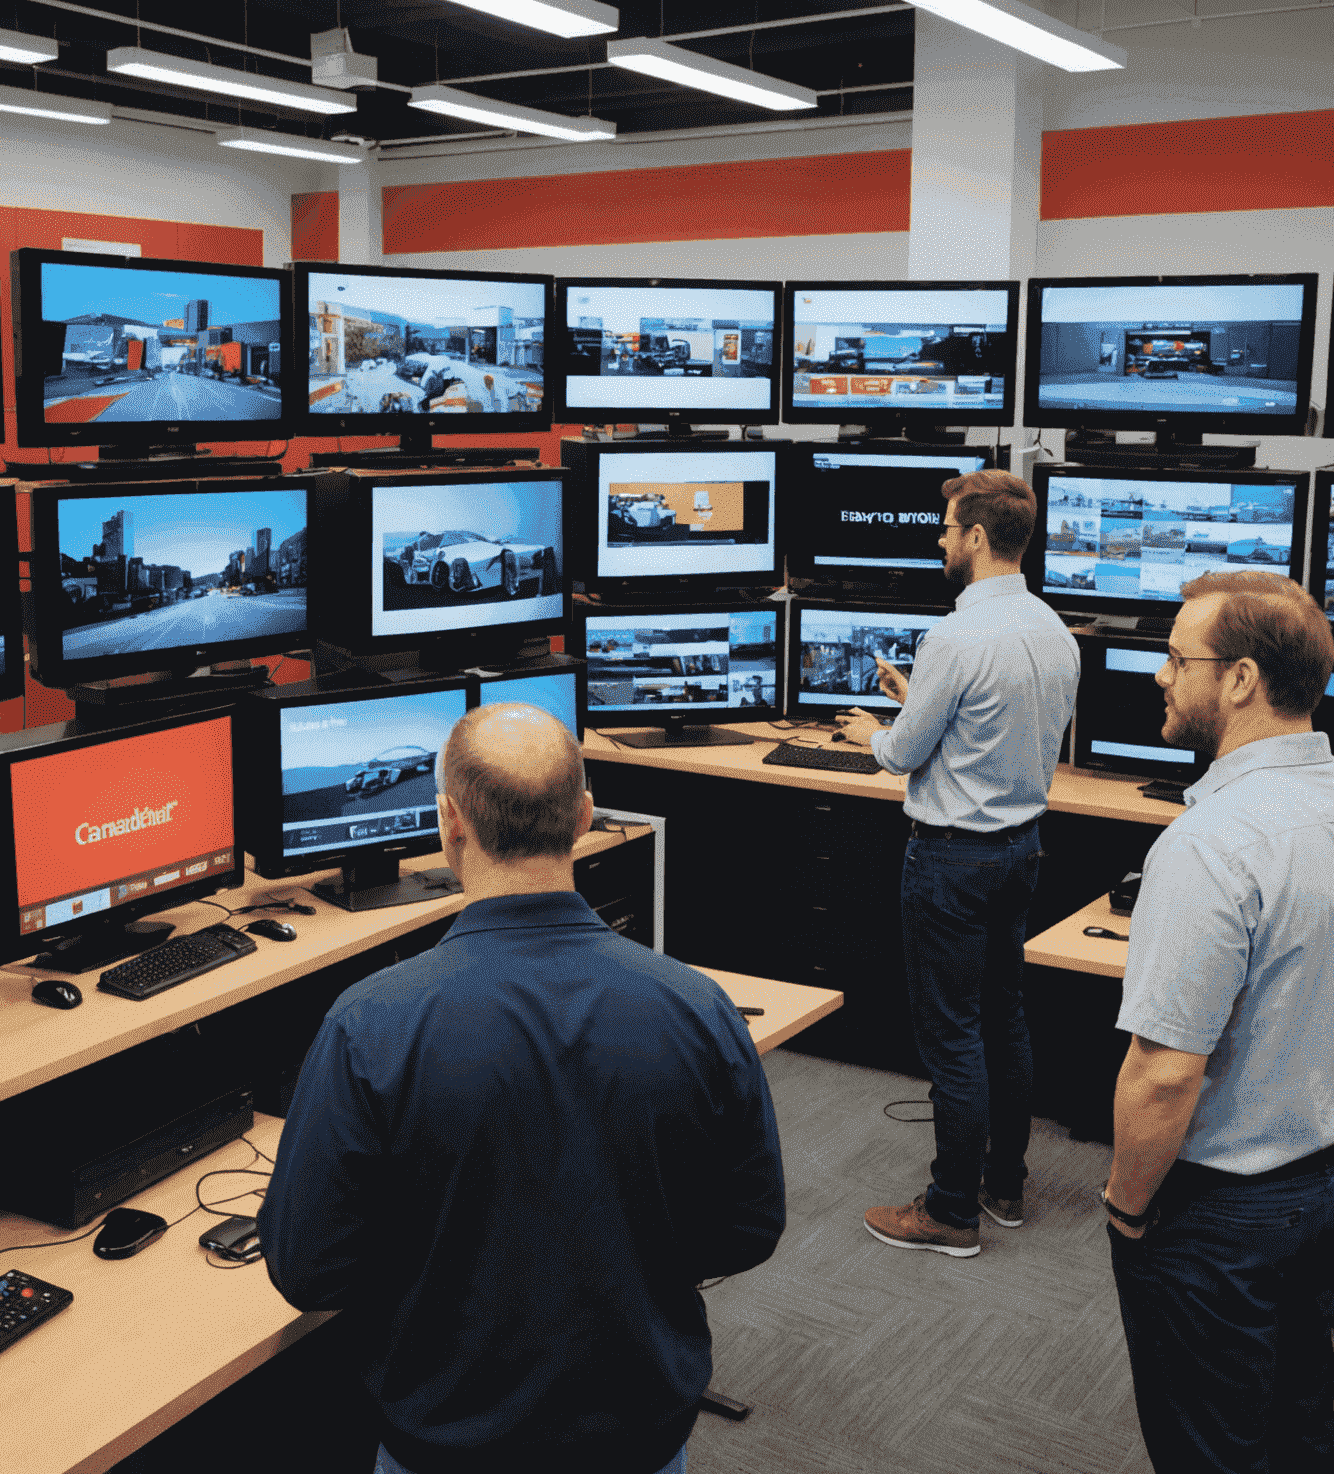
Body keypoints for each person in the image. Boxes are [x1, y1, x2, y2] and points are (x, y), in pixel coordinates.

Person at [258, 703, 786, 1474]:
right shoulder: (697, 1008)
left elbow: (307, 1269)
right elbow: (750, 1227)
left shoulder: (370, 1026)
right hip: (639, 1439)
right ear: (583, 817)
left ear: (449, 823)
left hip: (443, 1445)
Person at [1102, 572, 1334, 1472]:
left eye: (1175, 658)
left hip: (1226, 1208)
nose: (1160, 675)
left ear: (1239, 680)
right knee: (1297, 1410)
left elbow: (1163, 1071)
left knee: (1210, 1442)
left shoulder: (1207, 844)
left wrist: (1122, 1206)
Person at [834, 469, 1080, 1258]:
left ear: (975, 538)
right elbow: (991, 732)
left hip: (950, 861)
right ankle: (1003, 1184)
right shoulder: (1054, 630)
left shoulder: (954, 637)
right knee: (1004, 1018)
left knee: (952, 1039)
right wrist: (923, 697)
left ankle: (949, 1211)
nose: (940, 541)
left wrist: (870, 731)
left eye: (945, 529)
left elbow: (904, 754)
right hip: (1019, 852)